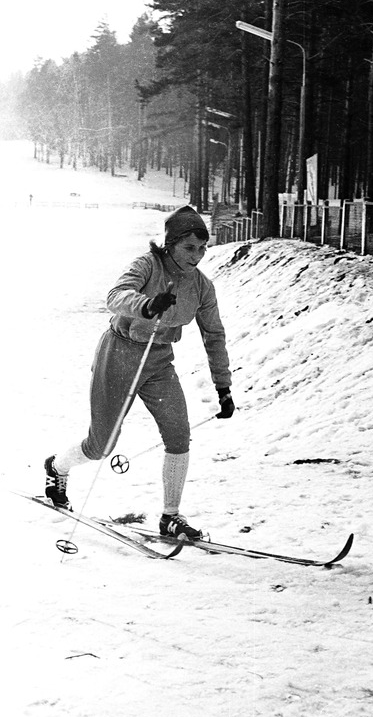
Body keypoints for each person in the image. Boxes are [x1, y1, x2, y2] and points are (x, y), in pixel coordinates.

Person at [44, 205, 234, 540]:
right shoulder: (148, 265)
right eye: (189, 247)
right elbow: (115, 296)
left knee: (178, 435)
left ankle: (171, 516)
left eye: (202, 248)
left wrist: (224, 387)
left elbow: (214, 334)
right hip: (119, 354)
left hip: (158, 361)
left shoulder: (202, 287)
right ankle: (57, 467)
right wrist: (145, 306)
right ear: (170, 243)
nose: (197, 256)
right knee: (101, 445)